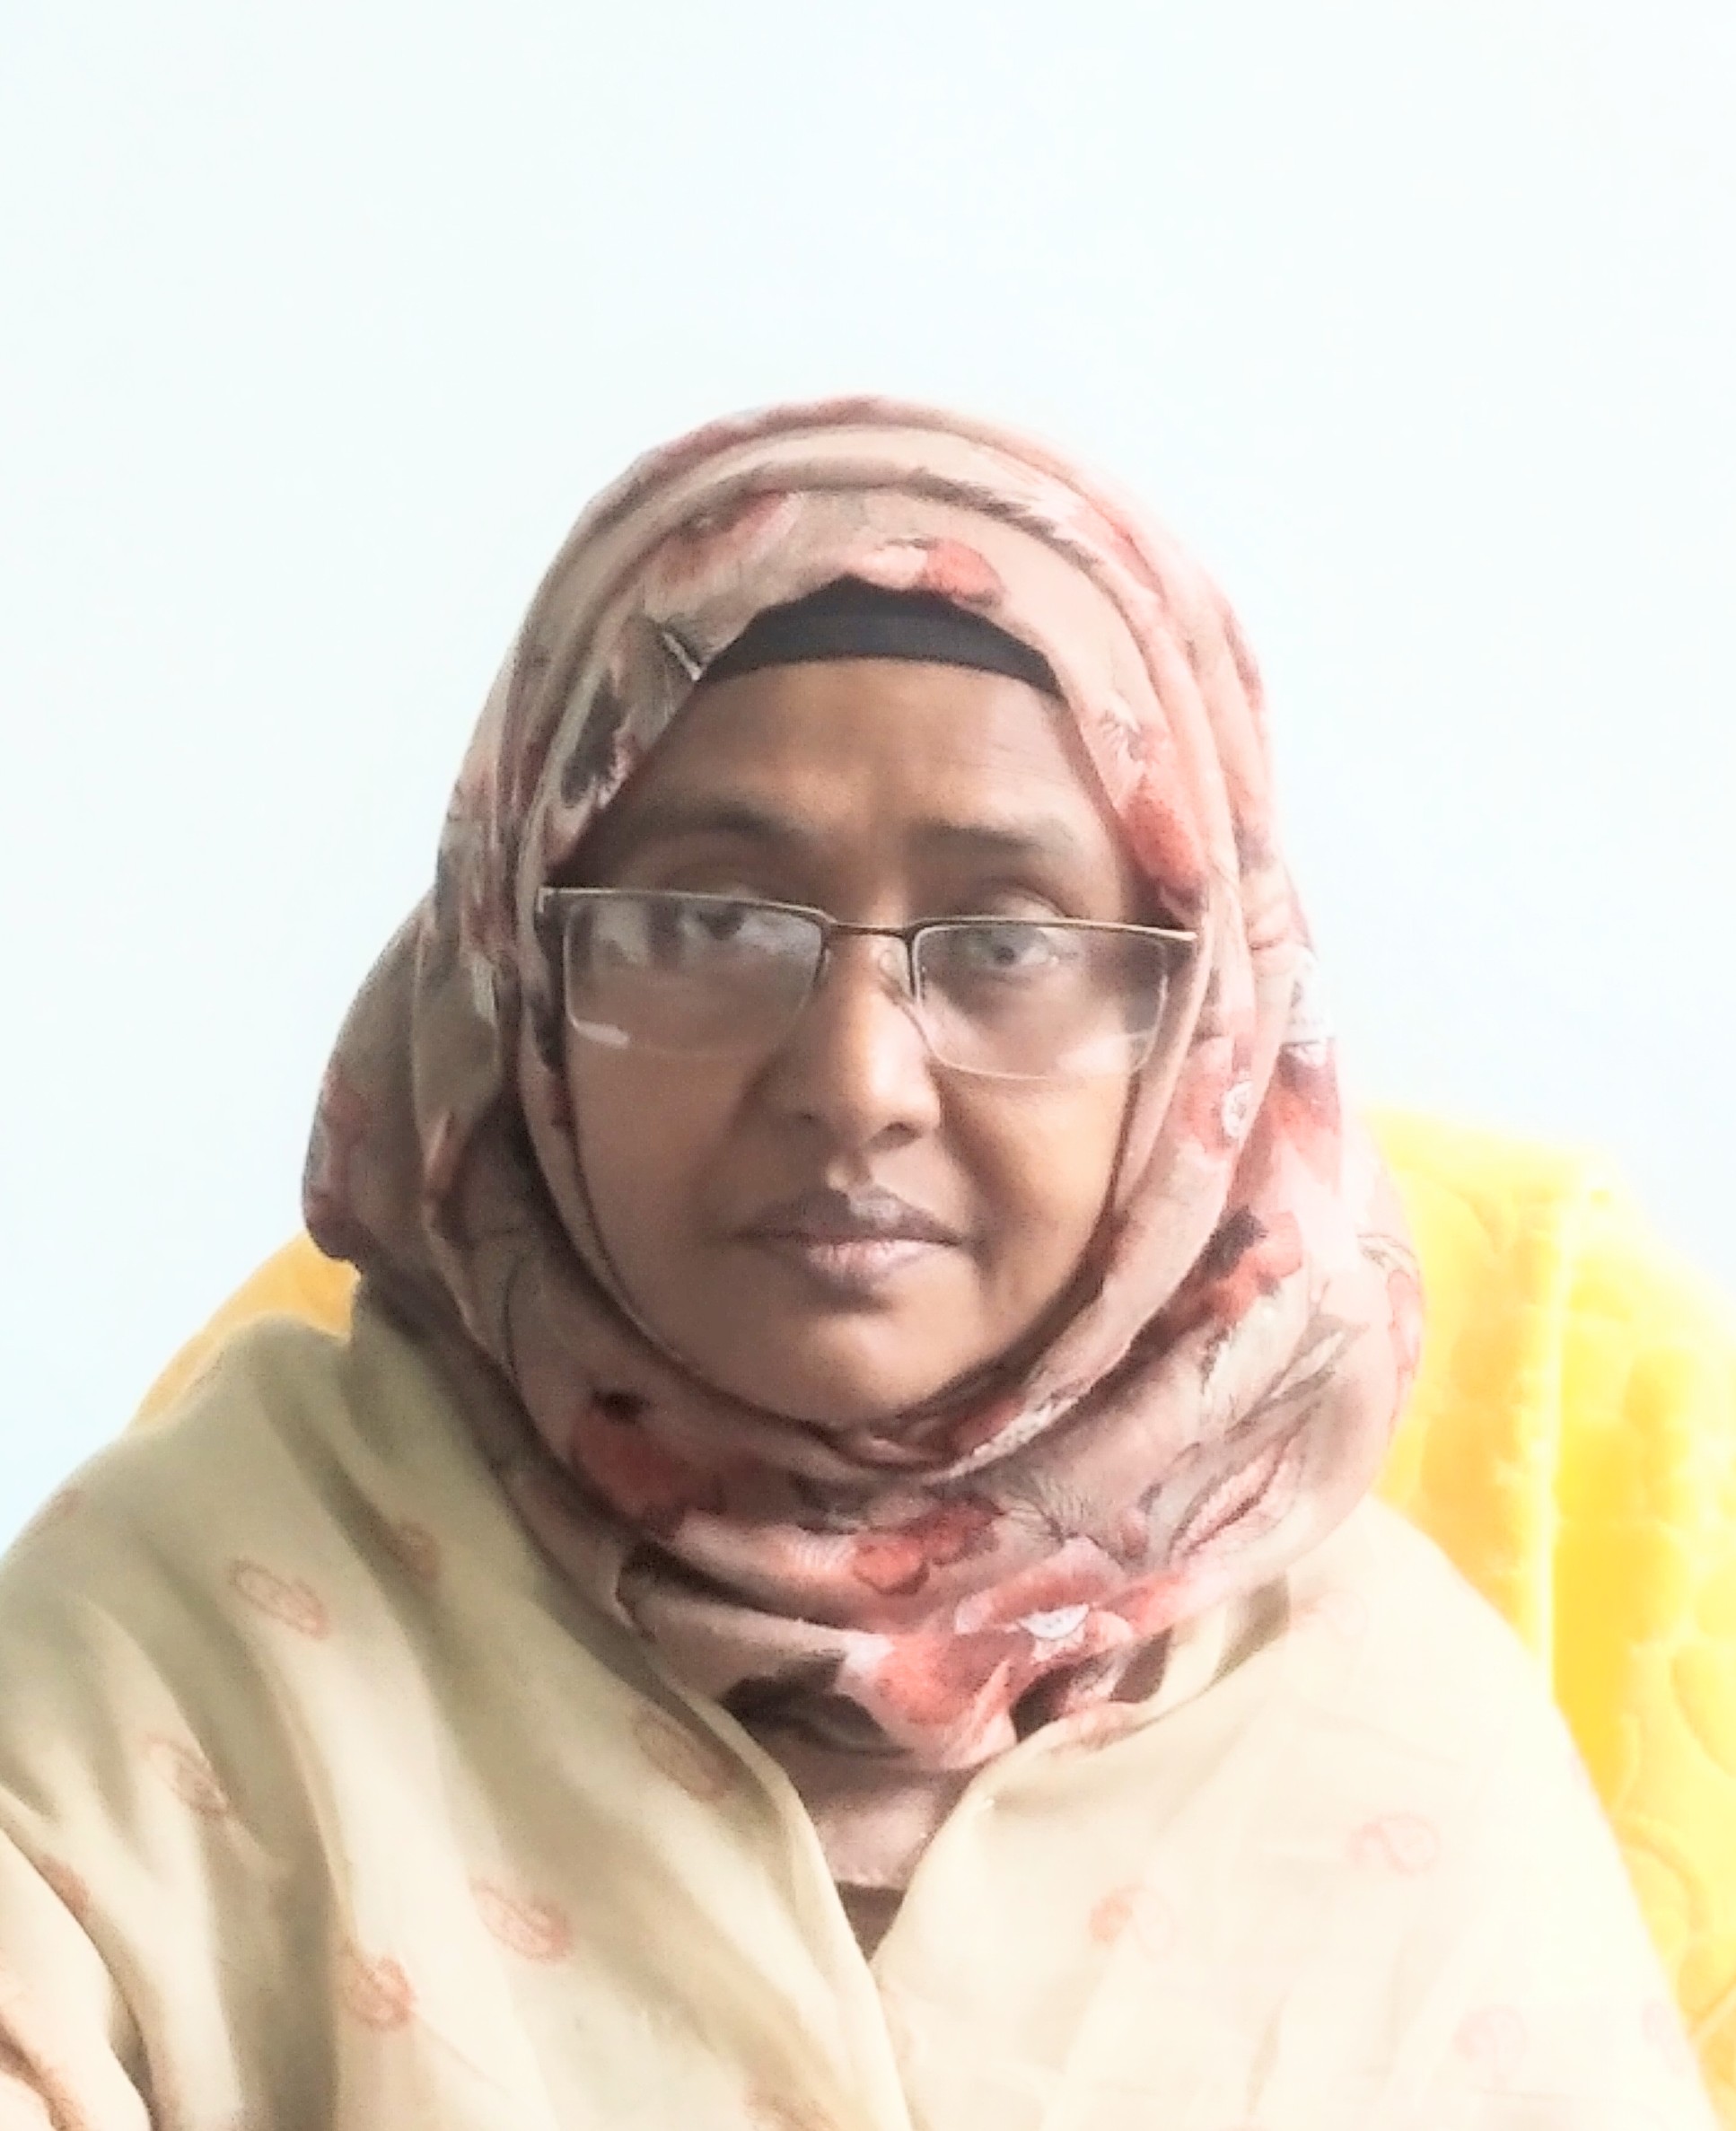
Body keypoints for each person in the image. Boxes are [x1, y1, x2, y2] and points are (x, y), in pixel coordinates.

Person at [0, 399, 1721, 2127]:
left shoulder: (1394, 1734)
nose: (856, 1079)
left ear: (1198, 1020)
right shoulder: (190, 1633)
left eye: (1007, 942)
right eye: (708, 922)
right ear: (515, 973)